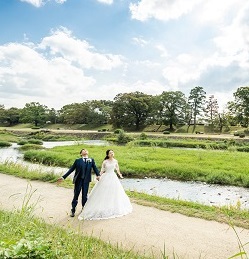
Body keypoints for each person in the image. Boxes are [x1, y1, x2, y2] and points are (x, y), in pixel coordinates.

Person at [78, 149, 132, 220]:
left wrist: (120, 175)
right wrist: (98, 176)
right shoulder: (105, 162)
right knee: (103, 192)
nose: (112, 154)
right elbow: (102, 170)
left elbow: (117, 169)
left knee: (115, 192)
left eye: (112, 152)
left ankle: (112, 206)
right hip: (106, 177)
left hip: (113, 177)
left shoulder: (115, 161)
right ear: (107, 155)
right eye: (110, 153)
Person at [57, 148, 100, 217]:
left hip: (86, 181)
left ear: (87, 152)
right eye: (83, 150)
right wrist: (63, 177)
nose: (85, 150)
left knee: (85, 196)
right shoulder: (77, 161)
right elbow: (71, 170)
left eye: (86, 150)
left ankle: (84, 209)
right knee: (76, 195)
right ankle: (73, 209)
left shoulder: (91, 160)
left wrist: (98, 175)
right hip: (78, 180)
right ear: (81, 154)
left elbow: (95, 168)